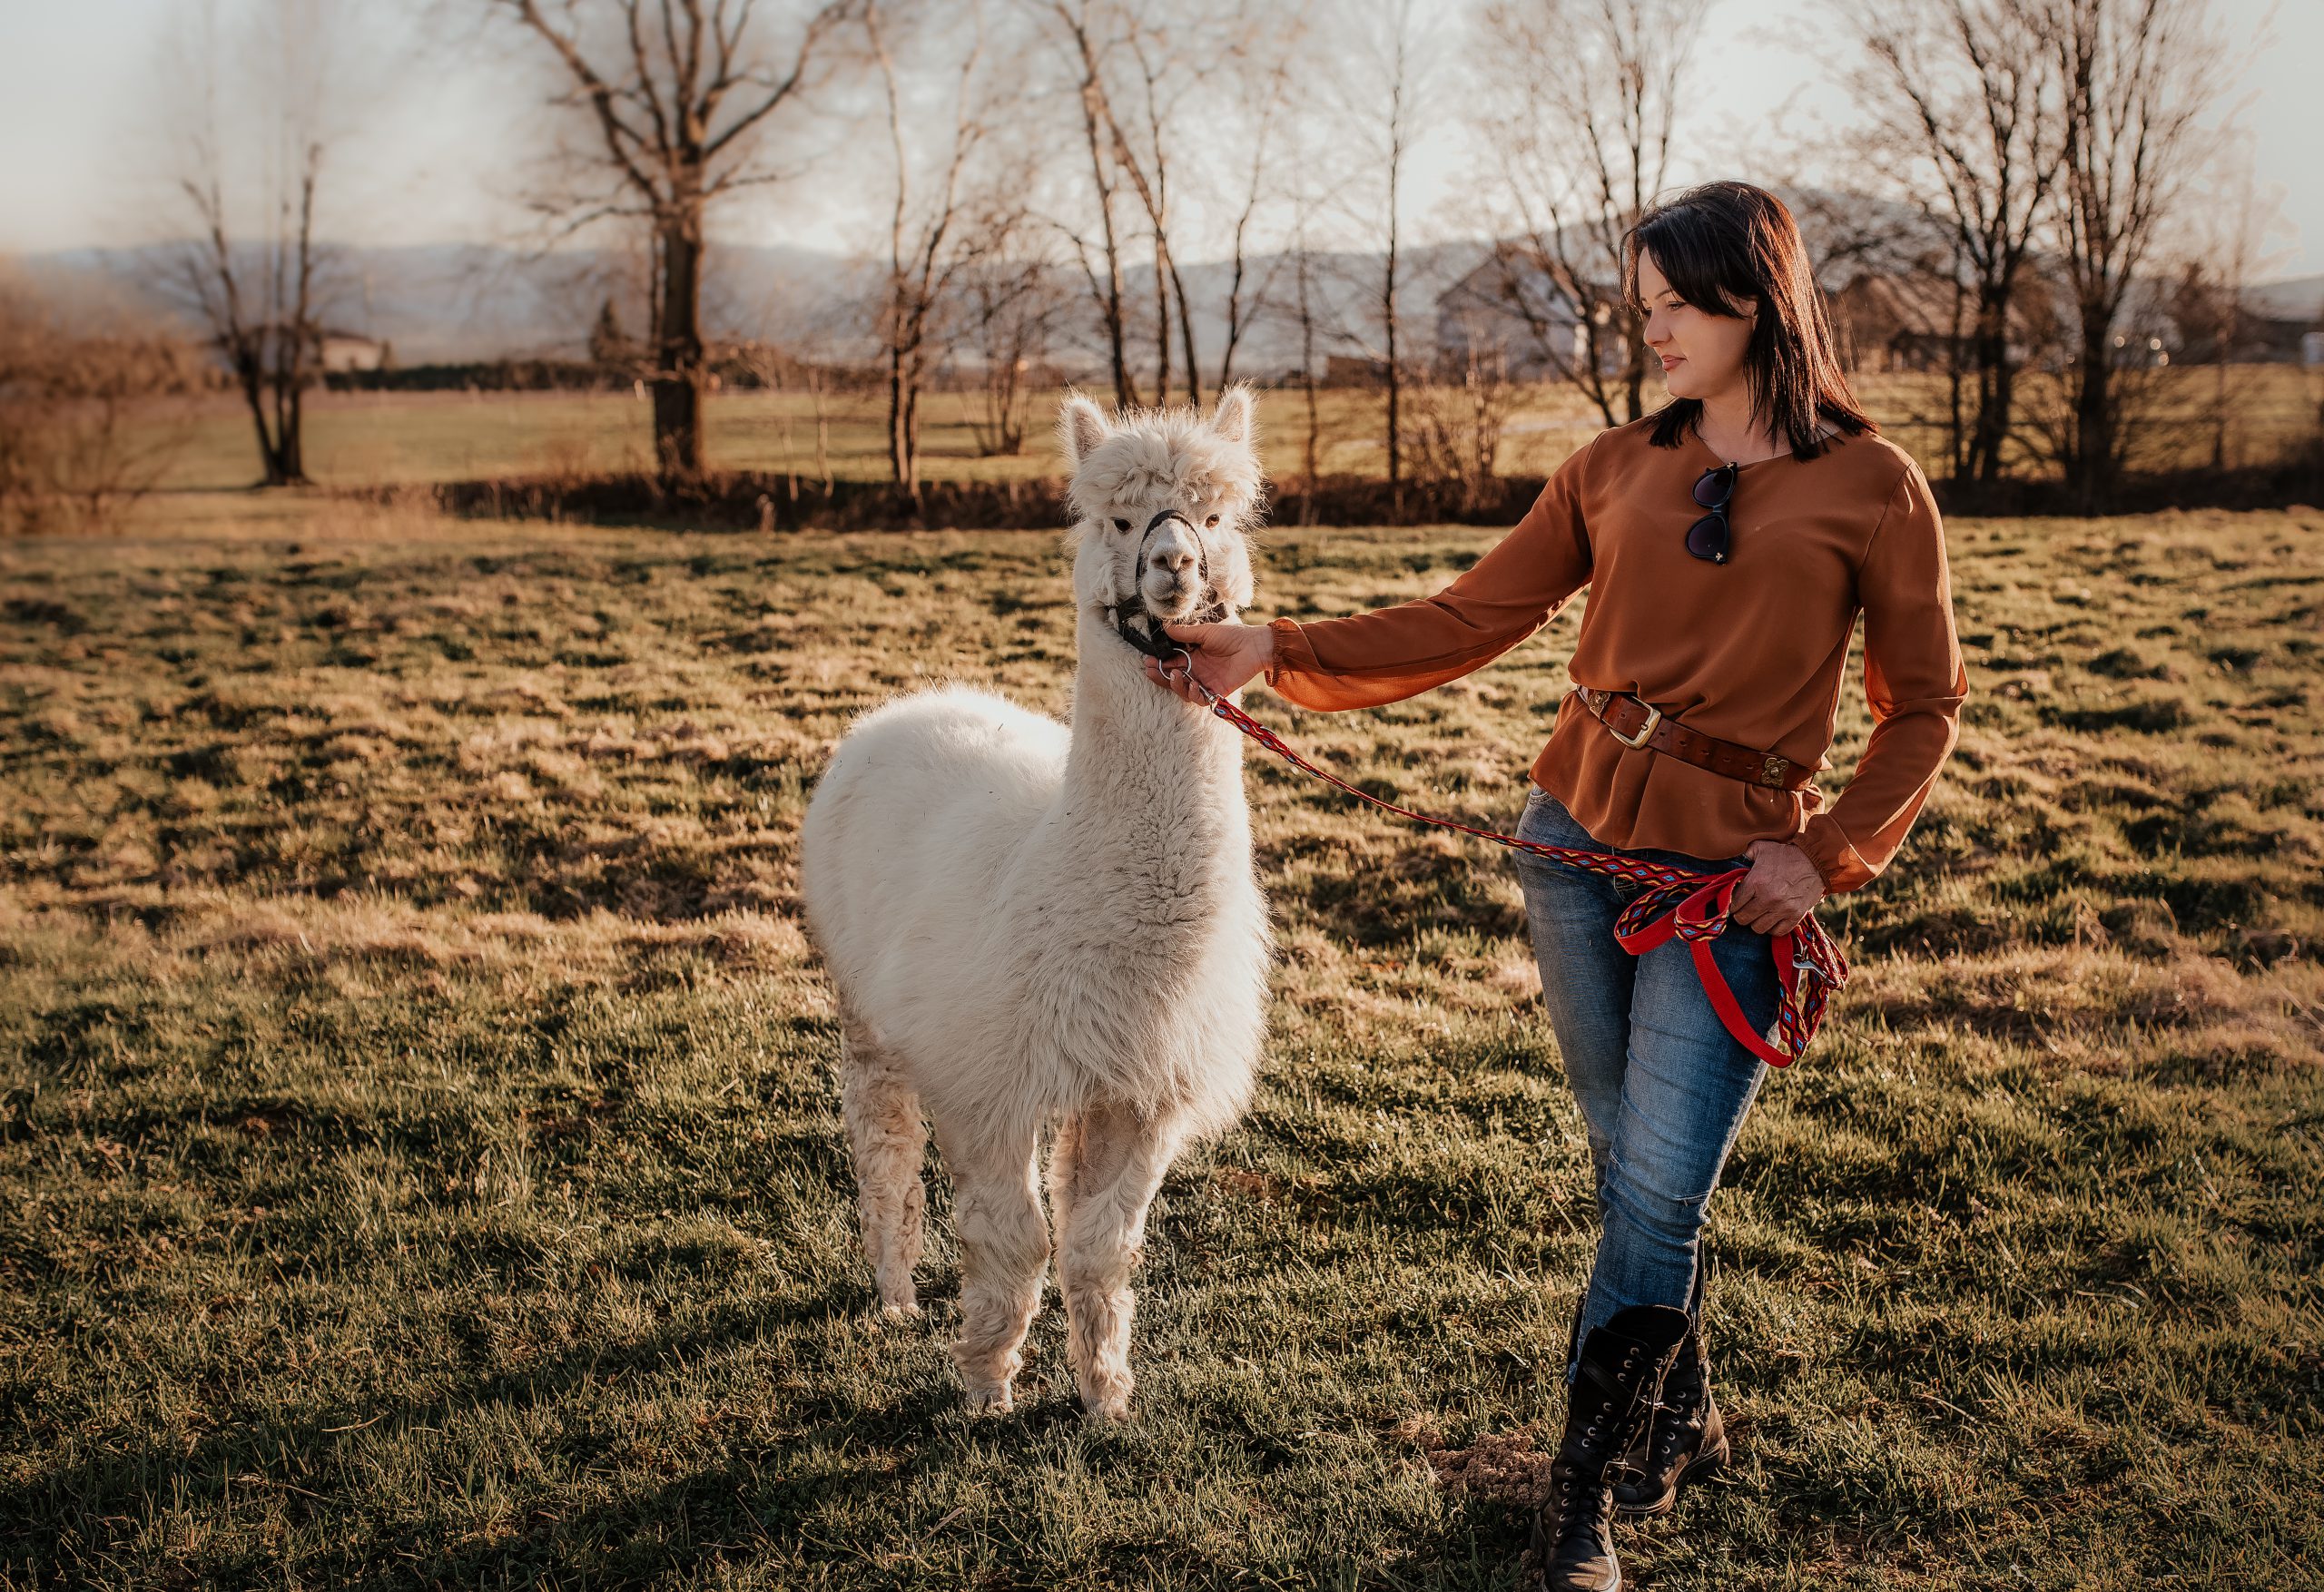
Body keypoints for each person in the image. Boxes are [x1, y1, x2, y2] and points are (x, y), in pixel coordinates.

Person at [1145, 180, 1969, 1592]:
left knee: (1656, 1184)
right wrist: (1270, 642)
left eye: (1669, 305)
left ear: (1751, 299)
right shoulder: (1612, 465)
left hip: (1730, 890)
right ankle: (1683, 1407)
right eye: (1638, 304)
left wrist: (1821, 855)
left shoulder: (1874, 487)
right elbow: (1470, 615)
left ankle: (1578, 1499)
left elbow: (1924, 705)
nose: (1646, 328)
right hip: (1575, 848)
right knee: (1631, 1166)